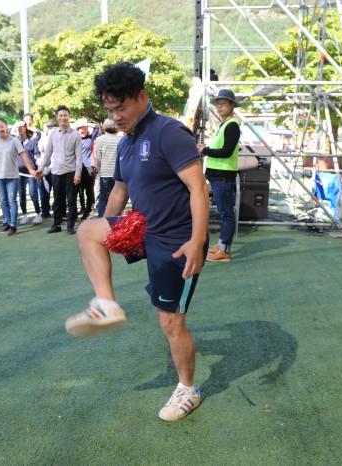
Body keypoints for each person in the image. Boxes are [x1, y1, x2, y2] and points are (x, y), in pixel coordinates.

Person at [64, 62, 209, 422]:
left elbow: (198, 188)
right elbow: (120, 190)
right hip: (145, 229)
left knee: (170, 322)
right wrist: (106, 229)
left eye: (121, 107)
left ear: (143, 97)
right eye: (109, 110)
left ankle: (188, 390)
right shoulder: (126, 143)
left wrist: (197, 240)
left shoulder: (169, 133)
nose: (115, 117)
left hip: (177, 241)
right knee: (87, 231)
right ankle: (106, 305)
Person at [197, 89, 241, 262]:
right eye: (218, 104)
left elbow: (226, 151)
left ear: (232, 105)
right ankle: (222, 245)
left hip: (223, 176)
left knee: (226, 214)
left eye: (223, 103)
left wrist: (205, 150)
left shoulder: (232, 125)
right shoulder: (224, 125)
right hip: (218, 175)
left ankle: (225, 250)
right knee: (224, 213)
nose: (219, 106)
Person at [0, 119, 36, 236]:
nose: (0, 129)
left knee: (12, 200)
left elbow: (23, 154)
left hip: (12, 176)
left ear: (6, 127)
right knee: (3, 201)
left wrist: (31, 170)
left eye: (2, 126)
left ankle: (13, 225)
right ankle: (6, 222)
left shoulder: (14, 140)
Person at [35, 106, 83, 235]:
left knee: (71, 200)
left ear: (69, 117)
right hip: (56, 171)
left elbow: (79, 156)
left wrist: (78, 173)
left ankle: (70, 225)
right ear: (57, 117)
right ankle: (56, 224)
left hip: (71, 171)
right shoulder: (53, 133)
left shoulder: (75, 134)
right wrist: (41, 169)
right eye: (60, 115)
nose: (63, 118)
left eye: (65, 115)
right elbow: (48, 153)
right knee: (57, 200)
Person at [12, 120, 43, 225]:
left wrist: (38, 159)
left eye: (21, 127)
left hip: (31, 172)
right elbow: (10, 135)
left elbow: (39, 134)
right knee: (21, 195)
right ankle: (25, 215)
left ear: (25, 128)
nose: (19, 129)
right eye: (18, 127)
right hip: (19, 172)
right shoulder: (16, 141)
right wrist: (15, 126)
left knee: (33, 193)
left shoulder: (32, 140)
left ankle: (38, 214)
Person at [94, 118, 121, 217]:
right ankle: (115, 217)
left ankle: (101, 218)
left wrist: (99, 170)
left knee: (103, 197)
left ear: (104, 127)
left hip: (104, 172)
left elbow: (98, 157)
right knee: (116, 197)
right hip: (117, 173)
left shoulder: (100, 139)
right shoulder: (121, 140)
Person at [74, 118, 99, 221]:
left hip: (88, 167)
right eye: (80, 128)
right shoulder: (75, 138)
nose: (82, 130)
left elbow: (97, 127)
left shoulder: (90, 138)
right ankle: (81, 208)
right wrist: (77, 126)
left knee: (89, 190)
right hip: (77, 167)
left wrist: (85, 123)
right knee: (78, 190)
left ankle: (88, 211)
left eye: (84, 128)